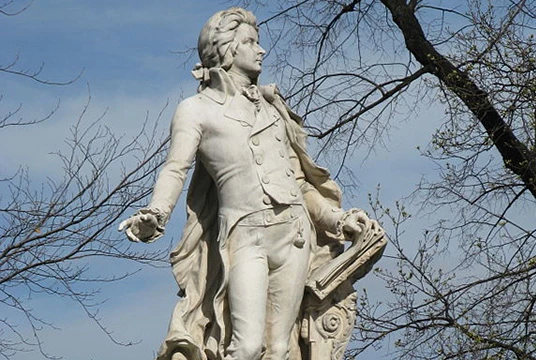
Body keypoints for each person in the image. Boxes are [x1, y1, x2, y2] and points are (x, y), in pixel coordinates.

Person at [119, 7, 381, 360]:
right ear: (228, 49)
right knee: (245, 346)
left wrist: (337, 220)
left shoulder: (274, 110)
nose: (261, 50)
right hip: (245, 236)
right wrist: (156, 211)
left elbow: (300, 183)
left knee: (281, 347)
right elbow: (174, 169)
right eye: (251, 42)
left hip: (295, 234)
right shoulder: (196, 110)